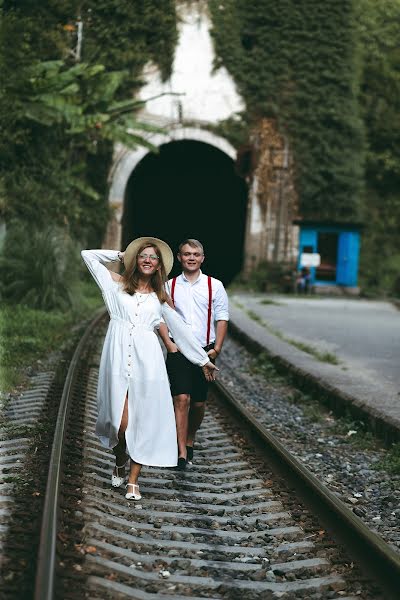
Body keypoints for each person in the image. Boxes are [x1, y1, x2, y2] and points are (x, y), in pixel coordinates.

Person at [81, 237, 217, 501]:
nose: (147, 260)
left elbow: (181, 332)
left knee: (142, 421)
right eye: (142, 255)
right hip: (117, 357)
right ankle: (120, 457)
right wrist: (122, 254)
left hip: (148, 362)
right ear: (136, 260)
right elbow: (88, 255)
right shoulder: (115, 285)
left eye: (153, 257)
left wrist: (203, 360)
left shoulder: (160, 297)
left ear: (159, 266)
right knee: (120, 424)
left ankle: (134, 479)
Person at [158, 239, 229, 470]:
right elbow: (161, 317)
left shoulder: (214, 285)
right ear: (179, 258)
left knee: (198, 403)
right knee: (181, 399)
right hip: (179, 350)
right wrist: (168, 343)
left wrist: (216, 349)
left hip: (204, 350)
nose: (191, 258)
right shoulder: (169, 286)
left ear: (202, 258)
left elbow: (222, 317)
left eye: (195, 254)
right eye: (186, 254)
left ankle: (190, 437)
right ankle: (180, 452)